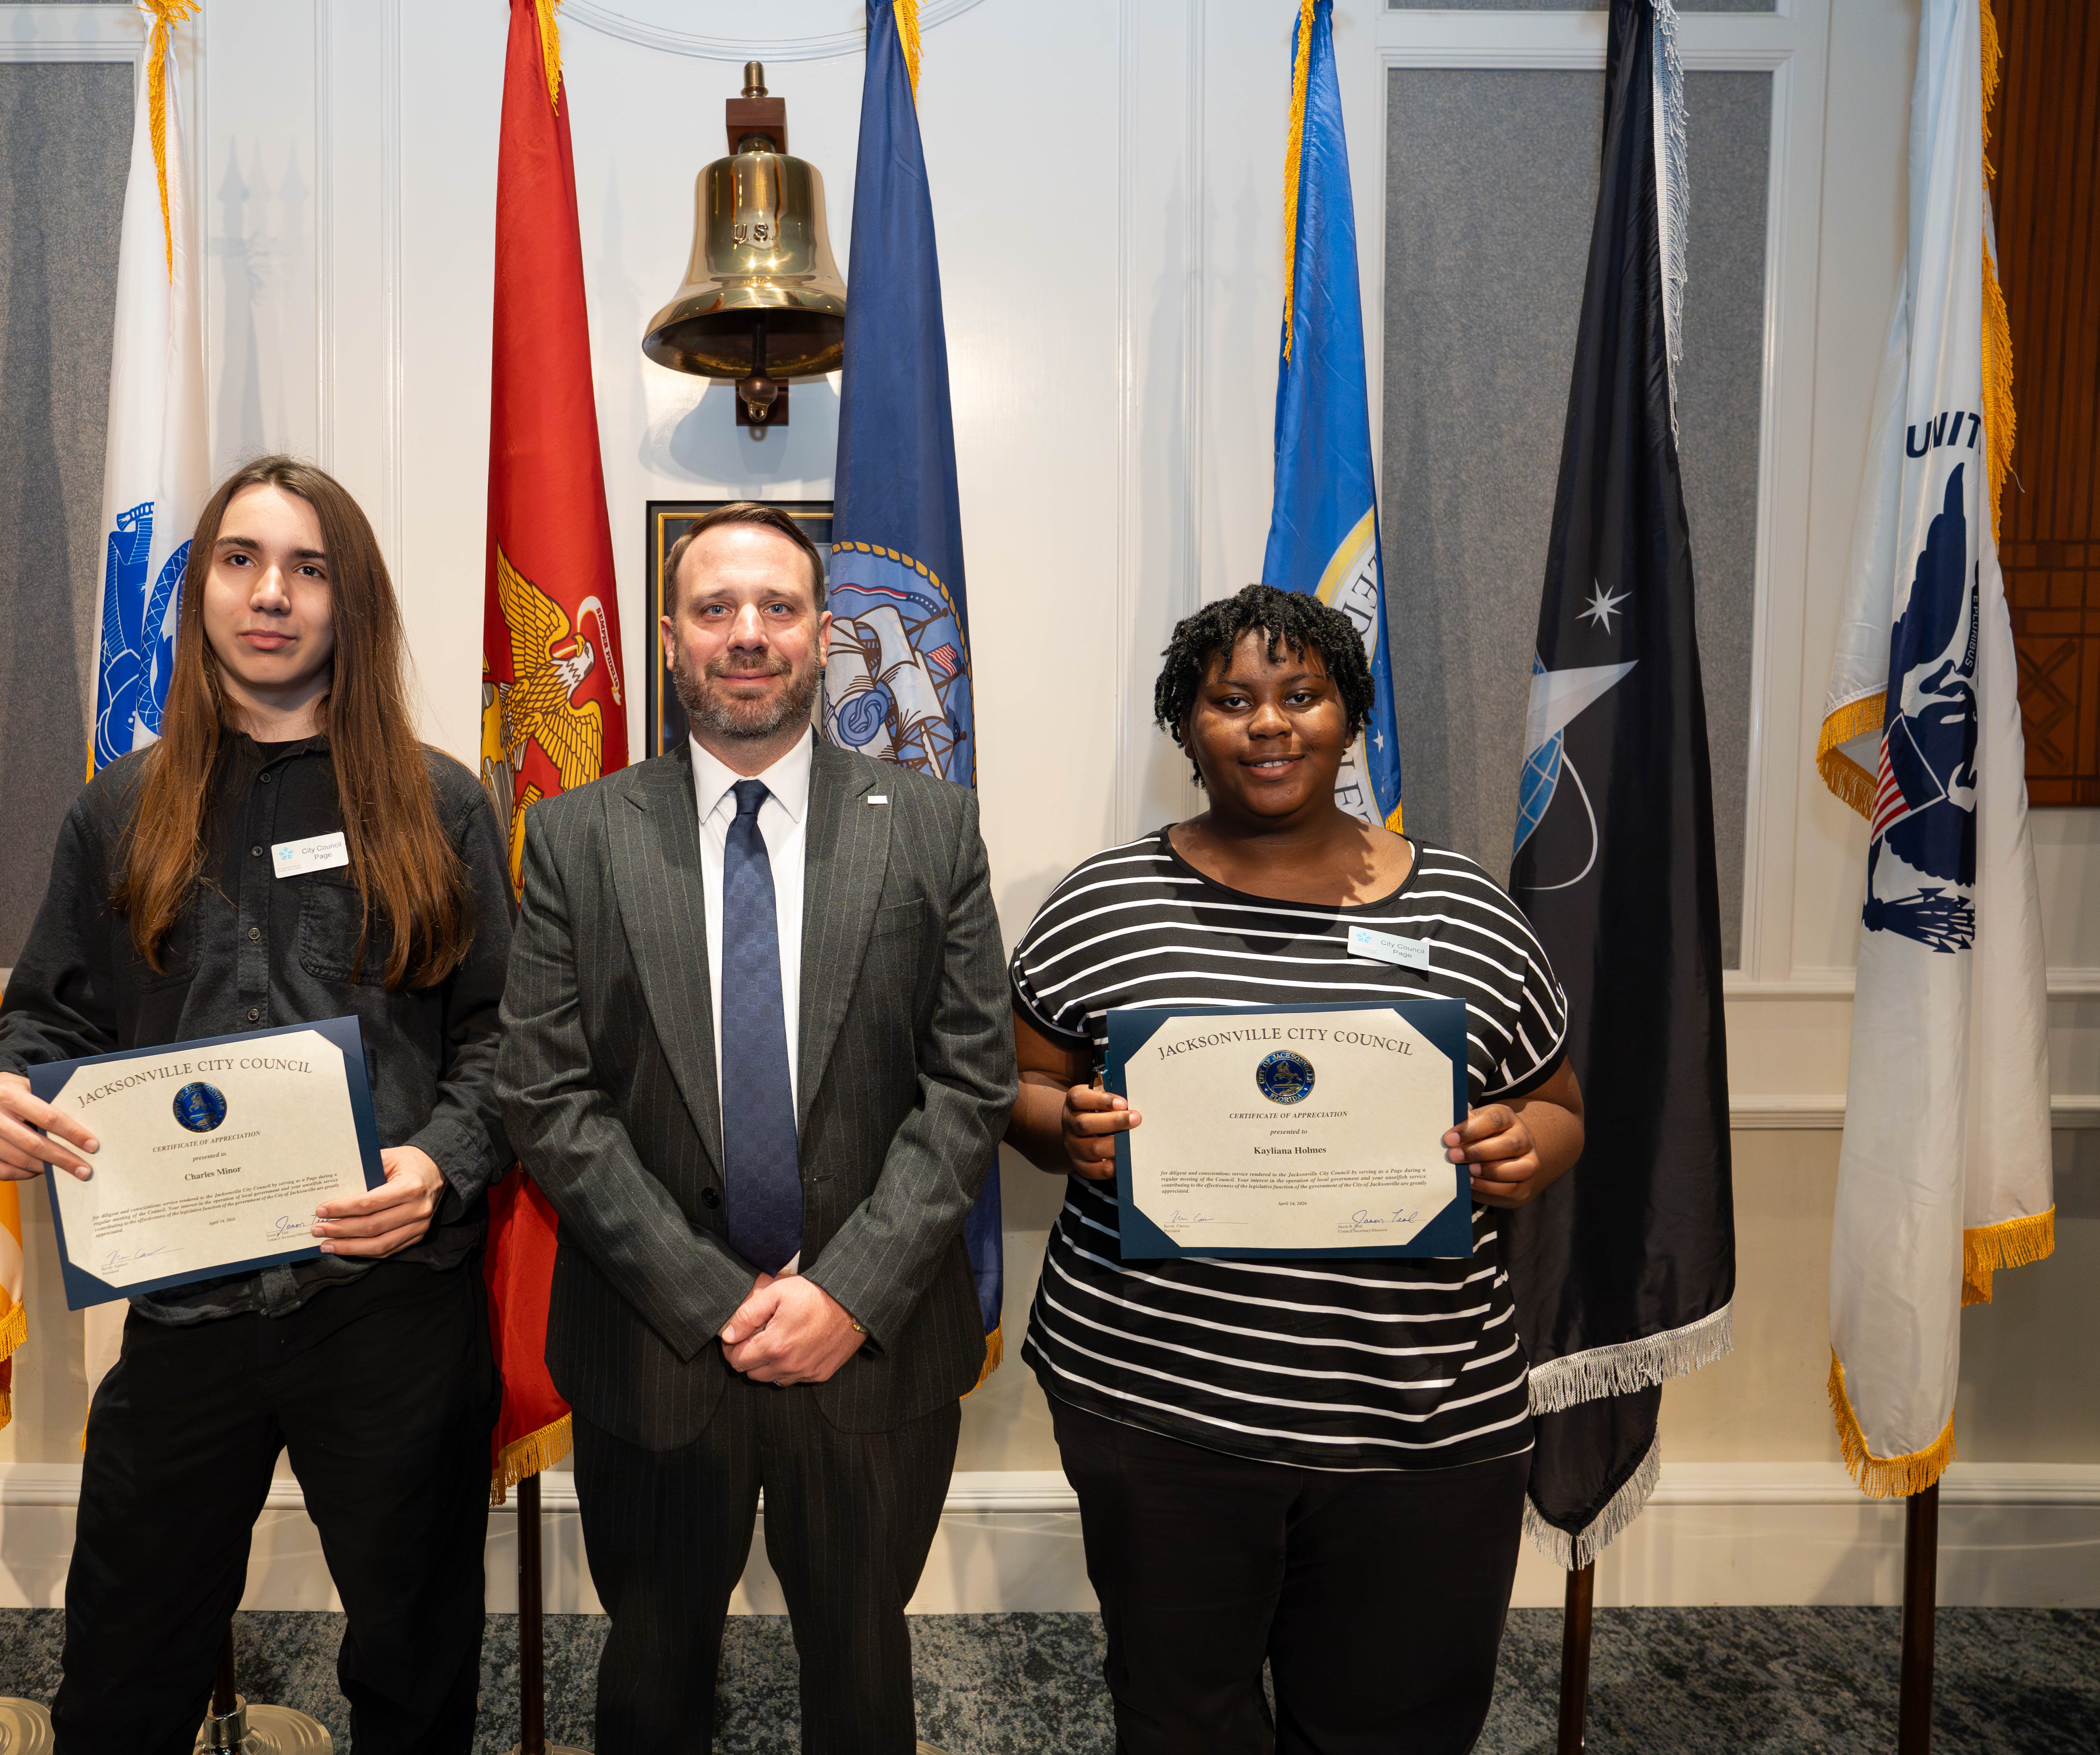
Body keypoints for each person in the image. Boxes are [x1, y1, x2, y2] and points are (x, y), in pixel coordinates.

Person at [0, 457, 510, 1755]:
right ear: (198, 593)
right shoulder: (122, 810)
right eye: (242, 562)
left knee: (416, 1672)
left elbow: (508, 1040)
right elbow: (48, 1019)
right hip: (184, 1311)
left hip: (390, 1307)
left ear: (349, 603)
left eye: (310, 569)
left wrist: (440, 1163)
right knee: (123, 1674)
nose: (273, 596)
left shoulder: (438, 805)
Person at [1007, 585, 1585, 1755]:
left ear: (1349, 716)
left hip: (1423, 1418)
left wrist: (1532, 1148)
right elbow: (1018, 1087)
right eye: (1232, 700)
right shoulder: (1105, 905)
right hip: (1162, 1405)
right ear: (1190, 728)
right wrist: (1060, 1129)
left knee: (1393, 1726)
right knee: (1183, 1720)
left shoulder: (1469, 908)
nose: (1269, 724)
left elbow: (1560, 1101)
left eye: (1302, 695)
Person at [497, 501, 1016, 1755]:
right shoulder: (574, 837)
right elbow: (544, 1093)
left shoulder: (929, 826)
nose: (747, 634)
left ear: (824, 635)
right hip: (655, 1343)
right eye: (715, 609)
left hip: (875, 1342)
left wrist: (847, 1292)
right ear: (668, 637)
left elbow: (970, 1084)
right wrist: (713, 1296)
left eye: (778, 609)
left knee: (862, 1662)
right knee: (654, 1662)